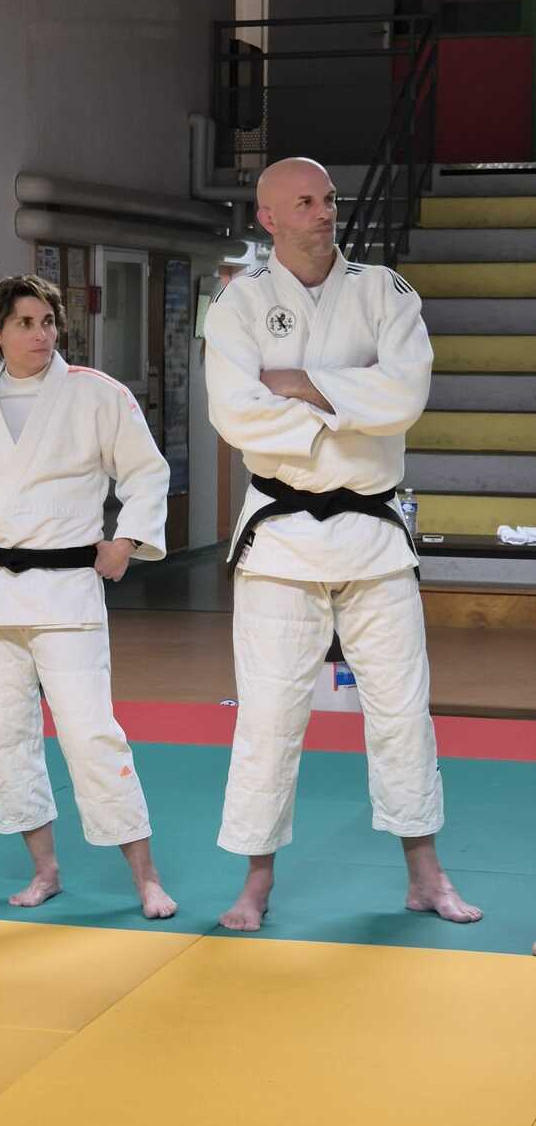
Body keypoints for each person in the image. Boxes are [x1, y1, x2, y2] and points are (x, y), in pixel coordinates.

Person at [204, 157, 482, 931]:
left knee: (402, 710)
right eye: (305, 202)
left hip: (373, 535)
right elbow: (236, 414)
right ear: (268, 217)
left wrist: (299, 382)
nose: (325, 212)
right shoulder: (240, 303)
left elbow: (405, 397)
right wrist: (349, 398)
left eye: (328, 198)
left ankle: (426, 874)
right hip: (281, 537)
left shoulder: (385, 291)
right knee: (268, 714)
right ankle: (256, 881)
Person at [0, 274, 176, 918]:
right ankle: (44, 869)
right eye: (25, 323)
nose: (40, 334)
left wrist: (126, 539)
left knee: (91, 735)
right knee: (4, 737)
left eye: (48, 322)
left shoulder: (97, 394)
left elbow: (146, 472)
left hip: (65, 591)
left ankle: (146, 878)